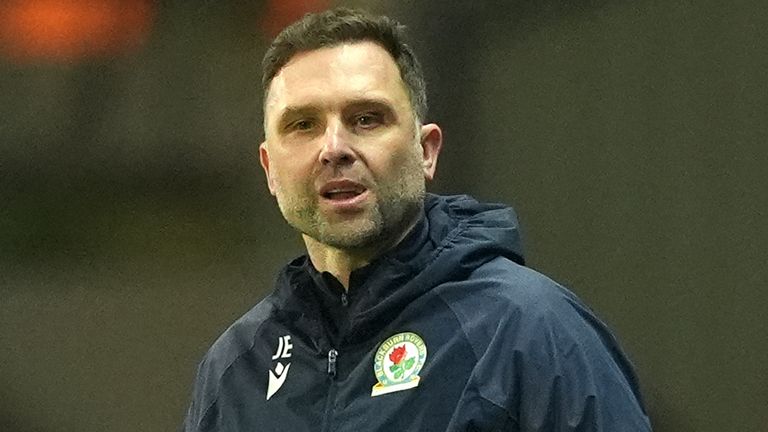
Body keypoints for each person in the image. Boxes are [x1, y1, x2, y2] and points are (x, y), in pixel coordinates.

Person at [182, 7, 652, 432]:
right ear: (269, 168)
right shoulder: (234, 371)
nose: (334, 148)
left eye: (366, 119)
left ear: (426, 151)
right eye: (303, 124)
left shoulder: (529, 332)